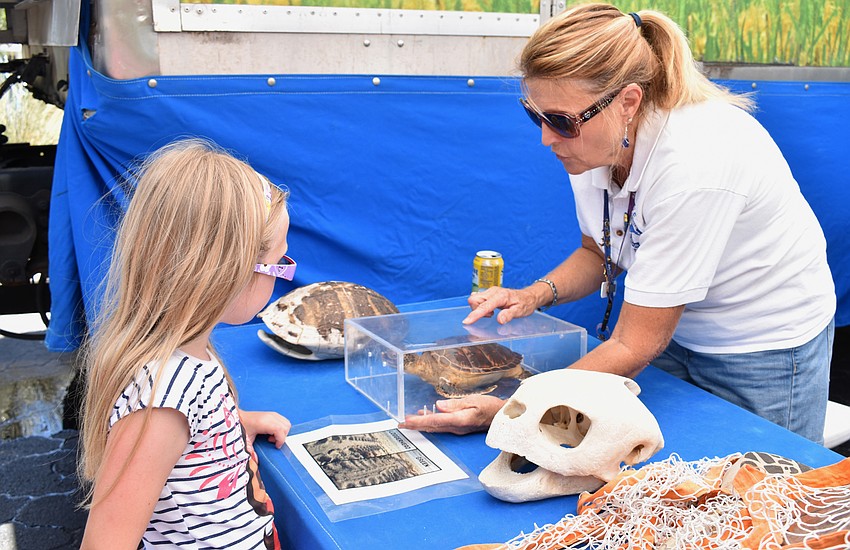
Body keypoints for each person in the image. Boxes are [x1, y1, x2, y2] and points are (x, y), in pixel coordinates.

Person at [400, 3, 835, 444]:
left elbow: (634, 345)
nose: (546, 137)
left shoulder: (696, 164)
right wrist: (532, 295)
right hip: (672, 327)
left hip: (762, 346)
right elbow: (599, 252)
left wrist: (515, 409)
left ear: (628, 101)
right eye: (536, 115)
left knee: (763, 485)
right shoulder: (593, 141)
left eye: (560, 121)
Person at [78, 138, 294, 549]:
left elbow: (187, 439)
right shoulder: (161, 401)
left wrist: (236, 424)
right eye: (279, 262)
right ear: (225, 270)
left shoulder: (193, 354)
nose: (282, 274)